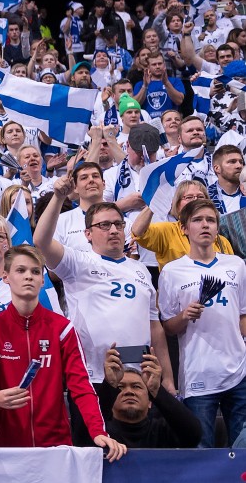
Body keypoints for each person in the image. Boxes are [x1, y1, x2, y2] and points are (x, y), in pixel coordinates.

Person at [0, 246, 126, 461]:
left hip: (55, 446)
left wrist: (98, 431)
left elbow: (81, 386)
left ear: (43, 280)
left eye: (35, 271)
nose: (29, 276)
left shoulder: (62, 329)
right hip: (4, 447)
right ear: (6, 277)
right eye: (21, 271)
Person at [35, 175, 171, 394]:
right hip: (91, 377)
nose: (114, 230)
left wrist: (168, 379)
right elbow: (41, 242)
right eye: (104, 225)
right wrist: (59, 198)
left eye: (118, 224)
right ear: (87, 234)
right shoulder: (77, 262)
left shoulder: (142, 270)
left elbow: (155, 328)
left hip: (139, 377)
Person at [158, 199, 246, 447]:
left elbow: (243, 315)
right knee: (201, 451)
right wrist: (184, 316)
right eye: (197, 220)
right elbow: (167, 327)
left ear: (217, 228)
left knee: (243, 451)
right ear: (184, 228)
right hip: (198, 375)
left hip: (239, 372)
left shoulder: (236, 265)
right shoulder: (172, 272)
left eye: (210, 220)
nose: (205, 225)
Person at [99, 347, 201, 448]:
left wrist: (157, 390)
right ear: (112, 399)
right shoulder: (101, 433)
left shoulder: (163, 431)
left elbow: (194, 434)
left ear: (150, 402)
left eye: (136, 386)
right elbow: (84, 435)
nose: (129, 392)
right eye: (121, 387)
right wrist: (109, 385)